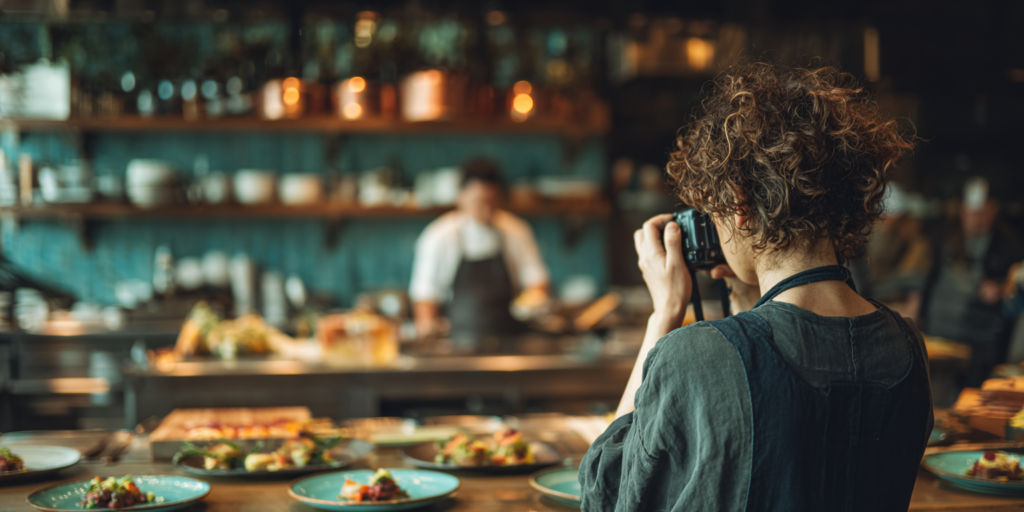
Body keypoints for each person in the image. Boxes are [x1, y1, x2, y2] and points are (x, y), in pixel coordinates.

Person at [579, 63, 933, 511]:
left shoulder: (696, 354)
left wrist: (664, 314)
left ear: (741, 204)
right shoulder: (907, 347)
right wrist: (750, 309)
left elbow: (605, 495)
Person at [409, 158, 549, 346]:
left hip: (512, 343)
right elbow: (425, 294)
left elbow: (536, 279)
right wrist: (427, 337)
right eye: (479, 201)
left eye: (492, 201)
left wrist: (533, 300)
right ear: (461, 196)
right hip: (457, 345)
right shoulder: (437, 236)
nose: (486, 209)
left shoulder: (516, 231)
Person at [920, 178, 1024, 387]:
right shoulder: (944, 235)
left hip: (979, 343)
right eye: (970, 213)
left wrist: (1001, 288)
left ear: (993, 209)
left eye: (981, 213)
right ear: (961, 210)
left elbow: (1015, 287)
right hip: (937, 335)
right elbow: (925, 280)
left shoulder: (1009, 243)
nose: (975, 219)